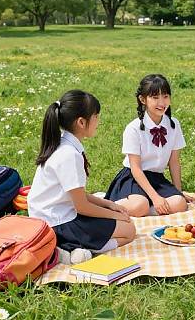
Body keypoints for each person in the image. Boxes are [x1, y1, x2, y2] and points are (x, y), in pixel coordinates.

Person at [28, 90, 135, 265]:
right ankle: (69, 249)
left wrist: (108, 204)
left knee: (117, 220)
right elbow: (82, 207)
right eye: (96, 117)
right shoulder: (69, 154)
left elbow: (75, 195)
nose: (98, 122)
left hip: (49, 217)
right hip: (59, 223)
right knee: (129, 230)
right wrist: (114, 216)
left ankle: (72, 246)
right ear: (81, 122)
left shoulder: (60, 143)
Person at [105, 74, 189, 216]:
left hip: (157, 178)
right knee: (140, 205)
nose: (162, 102)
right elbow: (135, 168)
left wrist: (178, 191)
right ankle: (108, 205)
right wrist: (155, 197)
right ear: (143, 99)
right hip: (134, 178)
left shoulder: (174, 125)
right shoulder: (133, 128)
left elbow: (174, 162)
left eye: (166, 96)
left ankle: (147, 209)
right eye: (155, 98)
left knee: (180, 203)